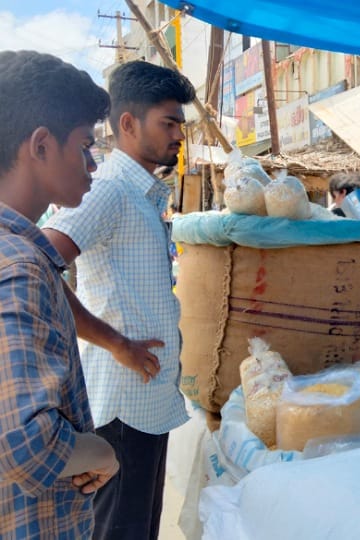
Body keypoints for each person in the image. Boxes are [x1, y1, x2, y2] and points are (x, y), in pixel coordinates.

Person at [43, 60, 196, 539]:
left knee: (138, 528)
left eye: (180, 125)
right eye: (167, 123)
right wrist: (115, 342)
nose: (178, 136)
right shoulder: (108, 190)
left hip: (146, 400)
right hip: (121, 405)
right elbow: (36, 263)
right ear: (127, 123)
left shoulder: (143, 194)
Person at [0, 50, 118, 538]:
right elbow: (27, 444)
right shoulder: (21, 266)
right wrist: (102, 454)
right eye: (86, 146)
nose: (92, 164)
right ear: (42, 145)